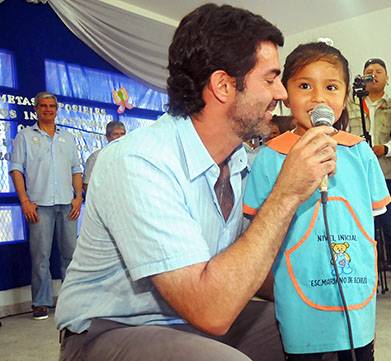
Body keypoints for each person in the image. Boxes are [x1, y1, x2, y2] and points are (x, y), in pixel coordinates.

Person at [54, 5, 338, 361]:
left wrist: (327, 288)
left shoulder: (237, 160)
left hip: (190, 318)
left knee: (318, 330)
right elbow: (212, 310)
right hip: (111, 330)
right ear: (222, 85)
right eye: (270, 79)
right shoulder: (139, 162)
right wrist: (286, 194)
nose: (282, 93)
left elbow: (244, 268)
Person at [243, 41, 389, 360]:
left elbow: (373, 224)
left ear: (346, 95)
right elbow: (259, 231)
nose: (319, 98)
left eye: (332, 87)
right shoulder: (270, 157)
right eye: (305, 85)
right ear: (286, 91)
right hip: (299, 289)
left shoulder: (360, 153)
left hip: (355, 290)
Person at [9, 91, 83, 320]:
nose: (48, 109)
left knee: (70, 256)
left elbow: (76, 169)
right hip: (39, 205)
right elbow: (16, 170)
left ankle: (71, 302)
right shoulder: (24, 137)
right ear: (36, 109)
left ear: (57, 109)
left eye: (52, 106)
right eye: (43, 106)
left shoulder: (68, 138)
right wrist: (24, 201)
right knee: (40, 256)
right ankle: (40, 303)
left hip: (67, 205)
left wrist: (78, 196)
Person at [347, 58, 391, 299]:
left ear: (387, 78)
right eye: (368, 72)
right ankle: (364, 281)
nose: (373, 75)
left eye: (378, 72)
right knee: (361, 233)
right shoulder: (351, 105)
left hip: (386, 175)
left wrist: (384, 149)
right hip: (355, 180)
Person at [82, 120, 126, 193]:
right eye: (116, 134)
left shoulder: (129, 155)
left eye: (122, 134)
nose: (120, 137)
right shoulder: (96, 157)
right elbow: (87, 184)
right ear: (107, 137)